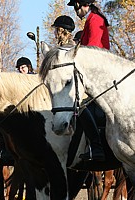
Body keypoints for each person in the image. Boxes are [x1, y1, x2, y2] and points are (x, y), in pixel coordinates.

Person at [68, 0, 109, 161]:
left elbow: (91, 49)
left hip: (98, 71)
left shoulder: (95, 20)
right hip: (94, 70)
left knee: (82, 106)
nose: (75, 11)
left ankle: (96, 147)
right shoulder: (91, 19)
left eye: (74, 7)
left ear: (79, 3)